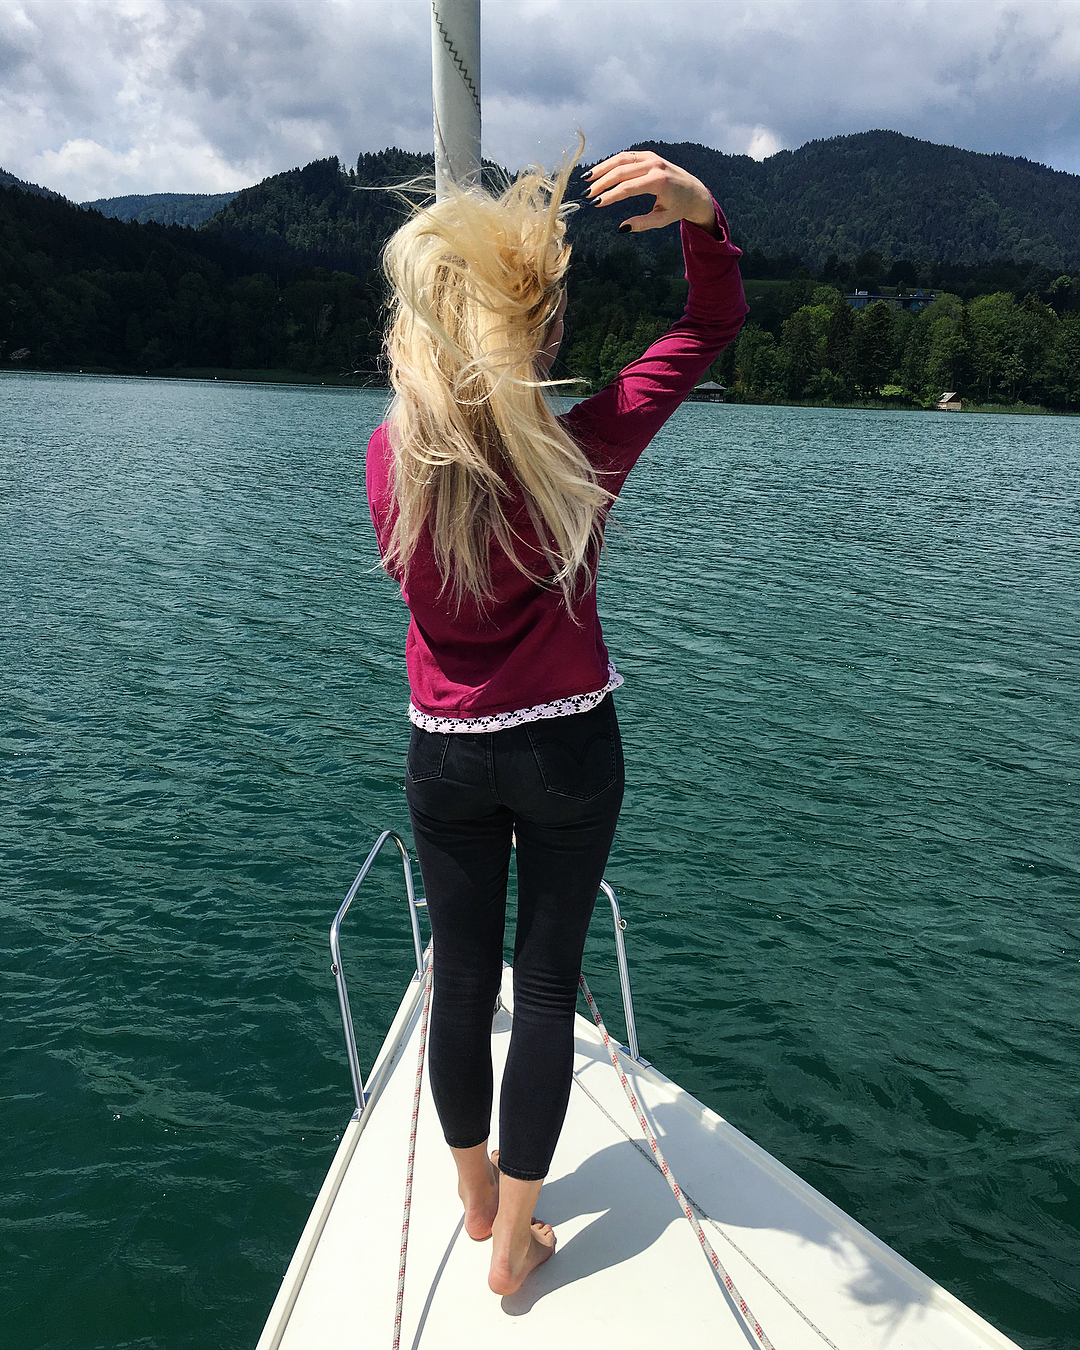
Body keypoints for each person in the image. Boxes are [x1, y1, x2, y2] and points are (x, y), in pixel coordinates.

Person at [366, 146, 747, 1296]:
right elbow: (709, 327)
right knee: (542, 988)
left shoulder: (392, 459)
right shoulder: (584, 452)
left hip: (445, 757)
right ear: (538, 335)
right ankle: (520, 1240)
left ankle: (476, 1197)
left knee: (460, 978)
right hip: (570, 752)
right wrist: (703, 219)